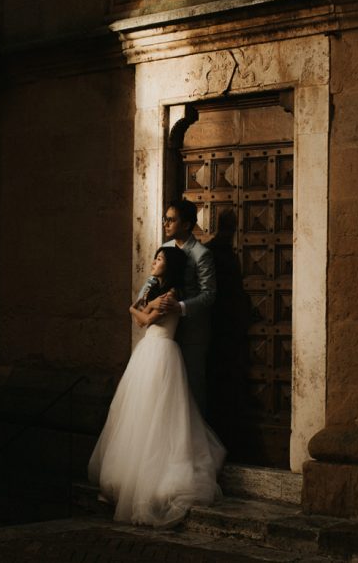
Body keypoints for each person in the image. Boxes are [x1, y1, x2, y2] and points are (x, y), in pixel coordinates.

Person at [88, 246, 225, 526]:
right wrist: (142, 306)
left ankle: (151, 480)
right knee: (138, 413)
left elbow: (144, 319)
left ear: (170, 266)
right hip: (148, 351)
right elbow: (144, 314)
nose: (153, 262)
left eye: (159, 259)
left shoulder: (171, 295)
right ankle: (127, 477)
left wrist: (134, 308)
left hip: (162, 353)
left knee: (159, 415)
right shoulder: (157, 293)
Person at [140, 200, 217, 413]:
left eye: (171, 220)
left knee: (191, 391)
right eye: (165, 219)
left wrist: (180, 307)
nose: (165, 224)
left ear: (186, 224)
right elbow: (150, 282)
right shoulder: (164, 249)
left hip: (192, 334)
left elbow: (209, 294)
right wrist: (148, 302)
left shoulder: (202, 254)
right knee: (160, 392)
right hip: (163, 333)